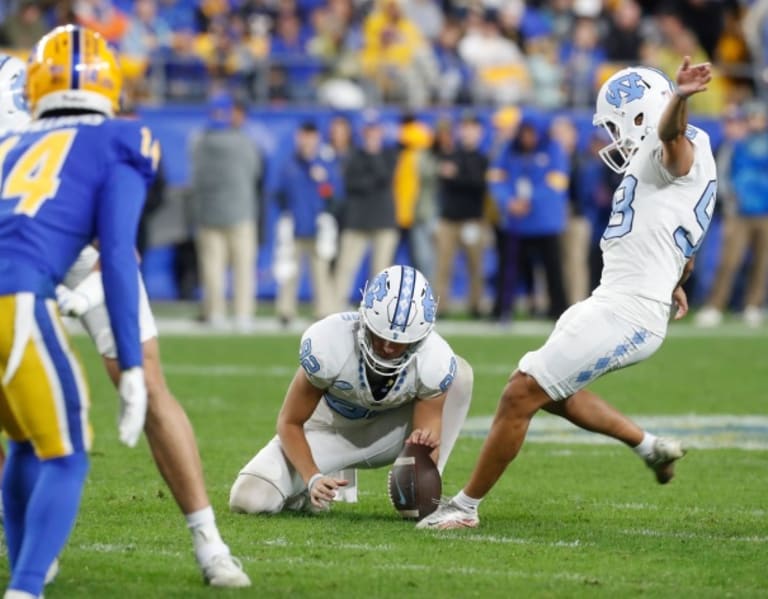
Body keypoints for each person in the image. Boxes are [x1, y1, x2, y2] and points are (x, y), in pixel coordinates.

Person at [418, 57, 717, 530]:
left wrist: (678, 97)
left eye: (619, 124)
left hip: (629, 308)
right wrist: (676, 281)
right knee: (552, 392)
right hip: (616, 298)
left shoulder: (678, 143)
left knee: (521, 391)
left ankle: (465, 507)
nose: (613, 137)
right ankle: (649, 445)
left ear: (644, 115)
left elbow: (673, 143)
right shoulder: (687, 156)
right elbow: (683, 235)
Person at [0, 53, 251, 587]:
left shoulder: (64, 121)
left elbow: (115, 246)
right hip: (22, 261)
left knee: (145, 384)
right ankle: (22, 535)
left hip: (87, 252)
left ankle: (208, 540)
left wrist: (89, 287)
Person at [0, 29, 149, 598]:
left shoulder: (13, 142)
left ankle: (22, 571)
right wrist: (130, 365)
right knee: (66, 453)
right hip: (15, 300)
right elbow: (116, 254)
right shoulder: (120, 138)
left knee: (22, 439)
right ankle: (27, 587)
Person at [229, 265, 473, 514]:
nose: (388, 347)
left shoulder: (434, 359)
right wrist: (312, 477)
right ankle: (307, 492)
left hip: (387, 435)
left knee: (460, 375)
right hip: (324, 433)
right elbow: (289, 422)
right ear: (364, 320)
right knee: (248, 499)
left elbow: (425, 434)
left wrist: (421, 471)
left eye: (399, 343)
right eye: (380, 336)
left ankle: (431, 489)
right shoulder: (330, 342)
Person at [191, 92, 261, 332]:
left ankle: (216, 312)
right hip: (240, 212)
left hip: (209, 213)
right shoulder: (243, 141)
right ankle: (243, 314)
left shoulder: (198, 141)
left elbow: (196, 177)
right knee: (243, 267)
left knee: (212, 268)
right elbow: (255, 171)